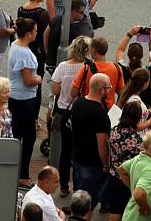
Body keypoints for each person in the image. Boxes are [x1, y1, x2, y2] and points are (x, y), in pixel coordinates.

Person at [51, 35, 91, 196]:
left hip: (63, 110)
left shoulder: (62, 66)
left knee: (65, 150)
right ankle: (77, 187)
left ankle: (63, 186)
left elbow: (55, 90)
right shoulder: (87, 67)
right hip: (81, 112)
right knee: (79, 150)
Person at [9, 17, 42, 188]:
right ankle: (23, 175)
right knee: (29, 137)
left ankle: (14, 168)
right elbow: (28, 80)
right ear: (29, 34)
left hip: (15, 97)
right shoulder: (24, 53)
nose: (36, 33)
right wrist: (39, 79)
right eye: (35, 31)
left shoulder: (15, 45)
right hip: (25, 98)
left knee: (17, 134)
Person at [71, 72, 112, 208]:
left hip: (77, 157)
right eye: (108, 88)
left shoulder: (78, 103)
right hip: (92, 163)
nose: (110, 90)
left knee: (78, 199)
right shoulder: (100, 113)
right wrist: (106, 164)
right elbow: (102, 144)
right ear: (101, 90)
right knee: (87, 203)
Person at [118, 130, 151, 221]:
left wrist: (133, 188)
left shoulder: (139, 158)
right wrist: (147, 209)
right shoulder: (149, 169)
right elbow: (138, 194)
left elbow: (121, 170)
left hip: (130, 214)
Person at [107, 102, 144, 220]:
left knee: (114, 209)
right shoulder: (135, 139)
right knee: (124, 211)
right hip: (126, 179)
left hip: (113, 174)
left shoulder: (114, 130)